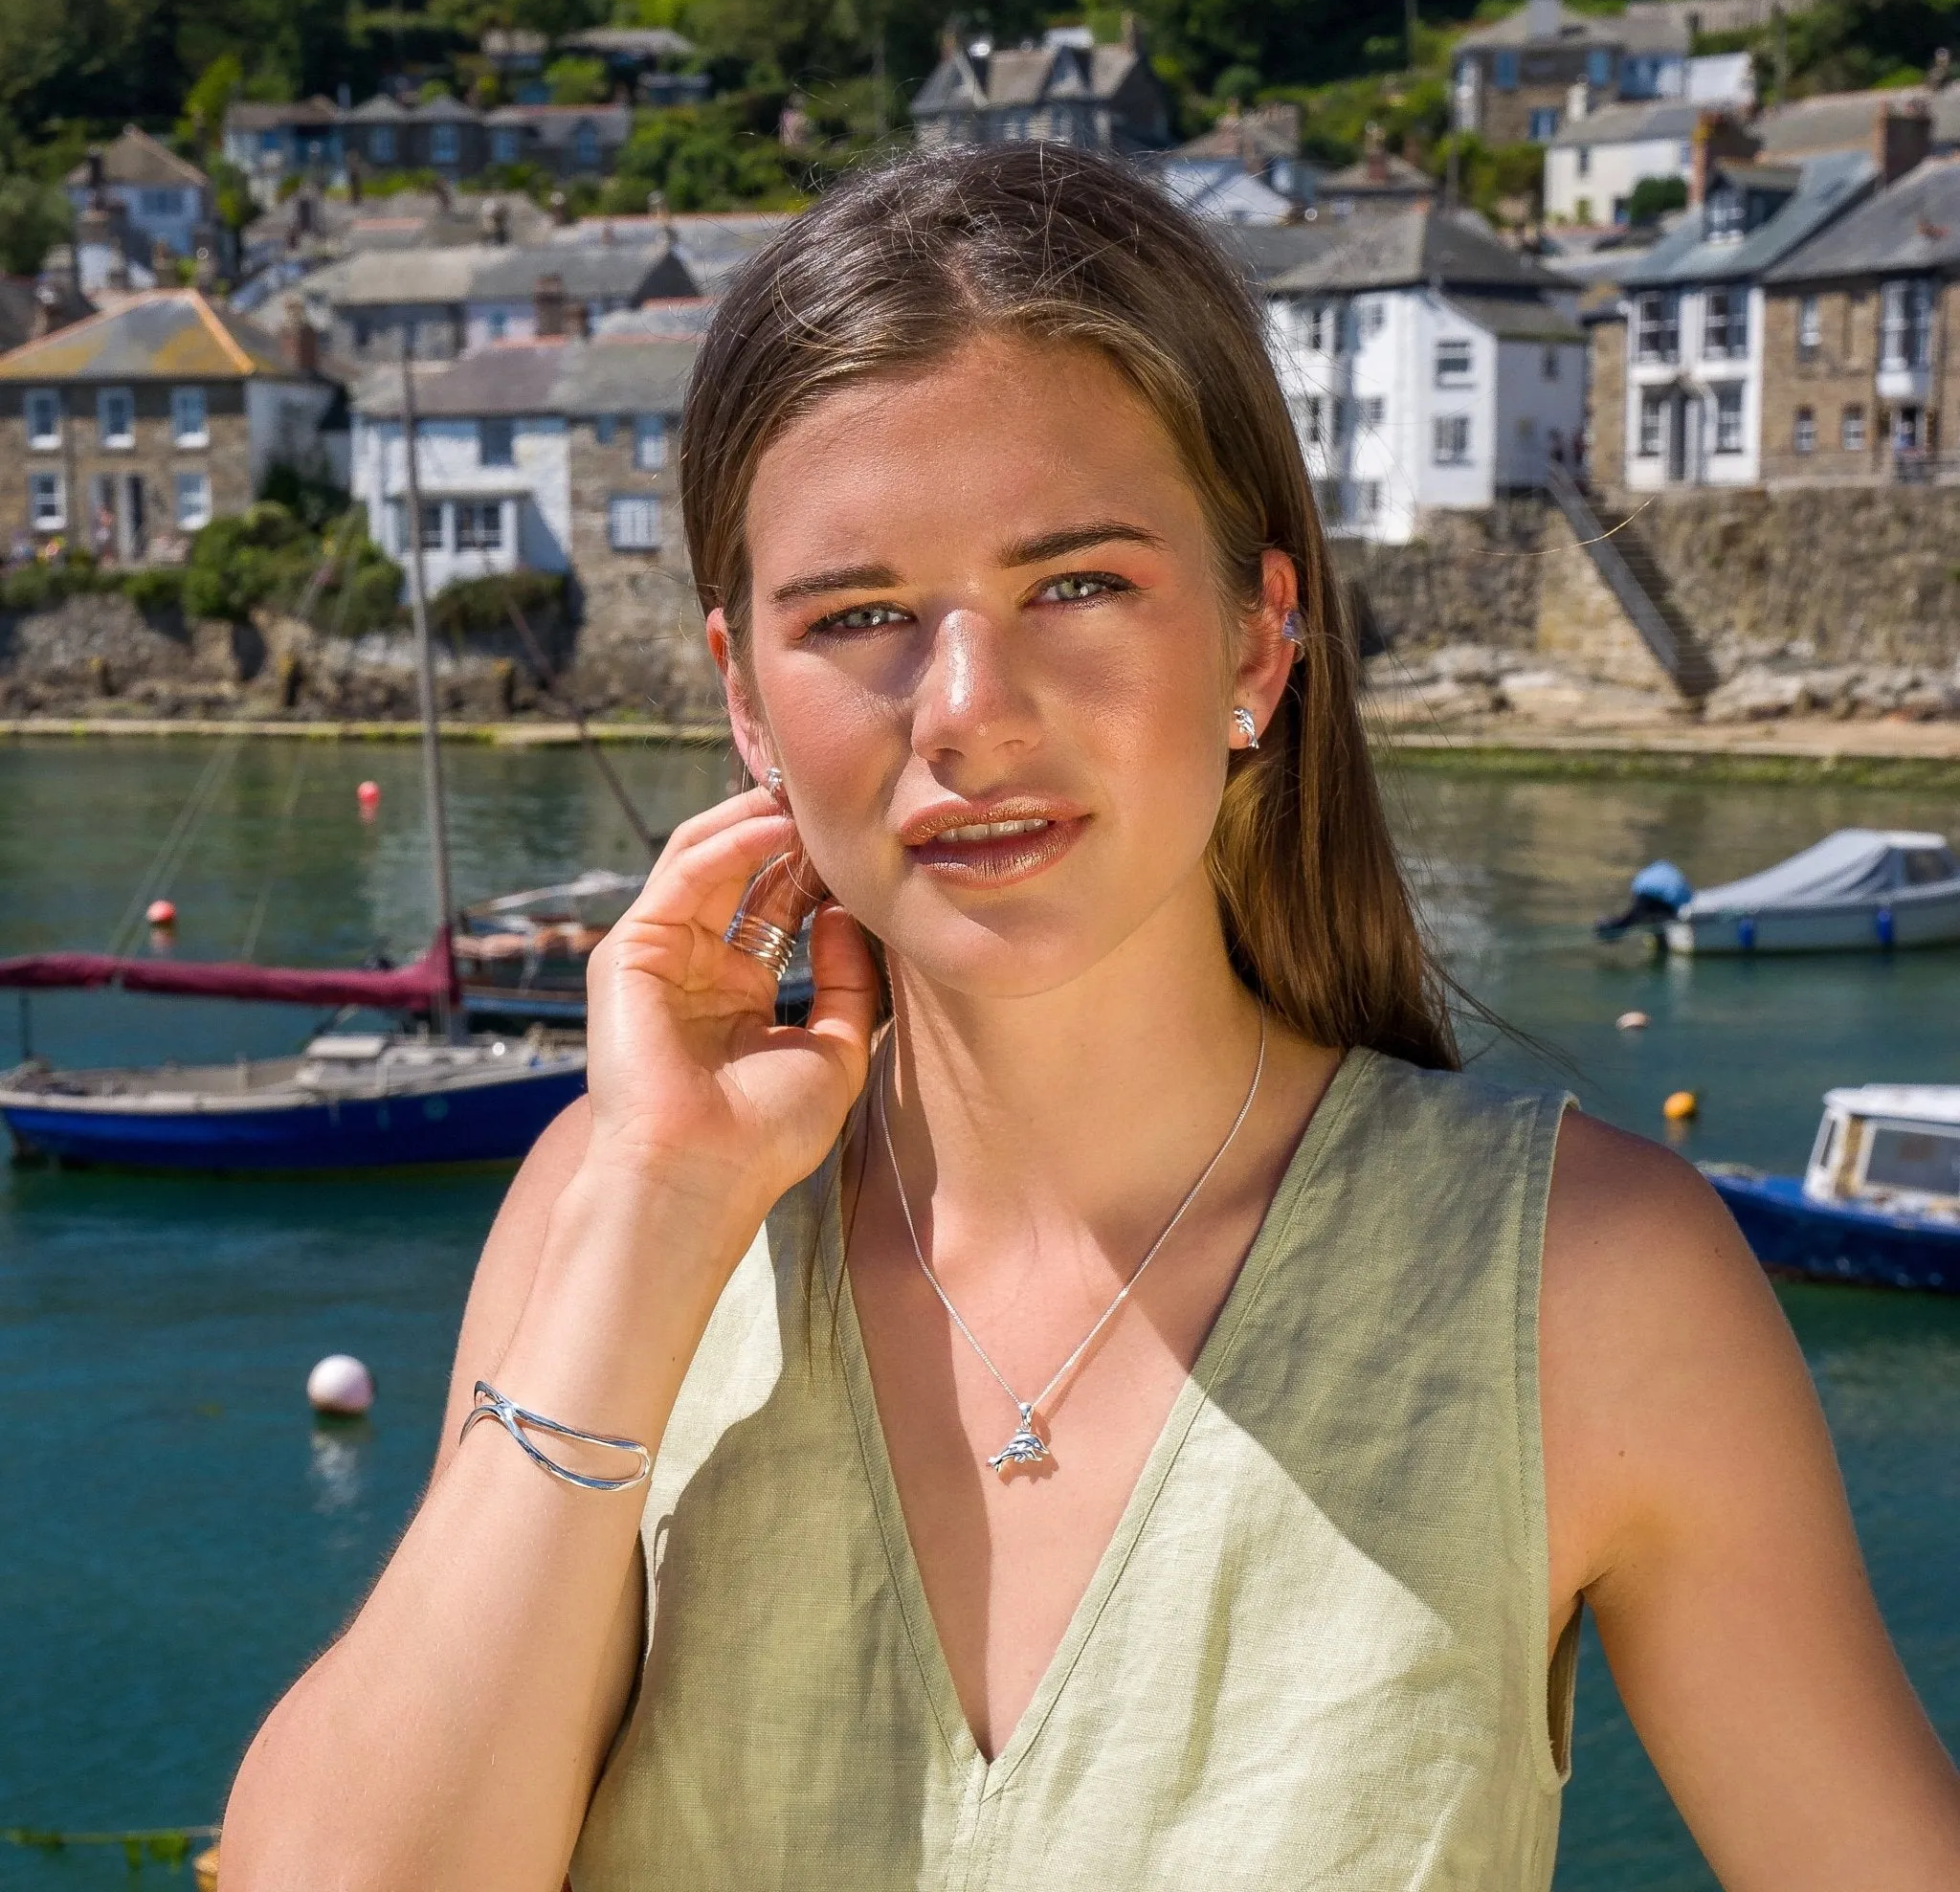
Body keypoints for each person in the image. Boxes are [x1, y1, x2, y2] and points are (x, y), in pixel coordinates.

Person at [222, 145, 1960, 1889]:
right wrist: (657, 1215)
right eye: (863, 617)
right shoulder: (602, 1220)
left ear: (1262, 643)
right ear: (746, 701)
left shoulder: (1587, 1288)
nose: (969, 714)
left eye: (1077, 585)